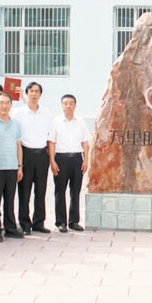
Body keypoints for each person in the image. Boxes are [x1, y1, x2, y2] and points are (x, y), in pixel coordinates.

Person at [13, 82, 53, 234]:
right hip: (25, 153)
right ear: (27, 93)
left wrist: (50, 157)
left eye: (37, 91)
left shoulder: (46, 113)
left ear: (40, 94)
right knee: (24, 191)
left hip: (42, 154)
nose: (34, 94)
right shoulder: (19, 113)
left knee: (41, 190)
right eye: (31, 91)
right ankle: (24, 223)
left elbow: (50, 136)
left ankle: (39, 222)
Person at [0, 92, 24, 241]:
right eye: (1, 102)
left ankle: (10, 228)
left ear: (11, 105)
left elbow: (18, 145)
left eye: (7, 103)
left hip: (12, 167)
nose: (4, 106)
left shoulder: (16, 124)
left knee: (10, 200)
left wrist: (20, 166)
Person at [50, 94, 91, 233]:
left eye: (71, 103)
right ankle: (61, 222)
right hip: (61, 158)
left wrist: (86, 160)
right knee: (60, 191)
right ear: (61, 105)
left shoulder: (81, 122)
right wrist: (52, 161)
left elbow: (85, 143)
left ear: (75, 105)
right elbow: (51, 143)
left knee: (75, 191)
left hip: (77, 159)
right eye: (65, 103)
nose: (68, 106)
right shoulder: (55, 122)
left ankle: (74, 221)